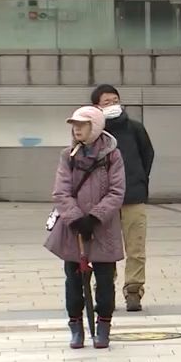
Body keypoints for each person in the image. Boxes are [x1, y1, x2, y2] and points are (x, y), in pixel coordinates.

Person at [45, 106, 125, 349]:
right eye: (74, 124)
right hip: (74, 229)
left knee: (104, 280)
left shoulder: (113, 155)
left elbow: (117, 191)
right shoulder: (68, 155)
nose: (76, 128)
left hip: (103, 228)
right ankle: (76, 326)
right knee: (73, 280)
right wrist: (77, 218)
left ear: (96, 126)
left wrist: (95, 217)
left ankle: (103, 326)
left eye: (82, 124)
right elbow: (61, 191)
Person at [92, 84, 154, 312]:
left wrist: (139, 180)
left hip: (133, 197)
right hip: (103, 201)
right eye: (106, 102)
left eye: (114, 100)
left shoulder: (135, 128)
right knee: (105, 248)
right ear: (96, 107)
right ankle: (104, 290)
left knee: (136, 246)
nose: (112, 105)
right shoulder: (94, 133)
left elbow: (147, 154)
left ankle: (134, 291)